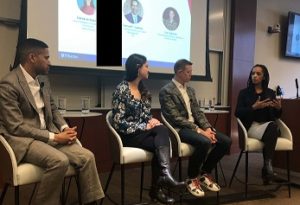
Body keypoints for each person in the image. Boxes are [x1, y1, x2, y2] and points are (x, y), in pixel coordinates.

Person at [0, 38, 104, 205]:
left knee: (87, 156)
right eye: (46, 58)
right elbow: (16, 127)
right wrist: (54, 138)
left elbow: (53, 109)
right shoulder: (9, 84)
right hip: (25, 140)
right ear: (32, 57)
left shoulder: (43, 80)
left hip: (49, 135)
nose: (50, 62)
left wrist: (64, 127)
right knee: (59, 161)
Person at [111, 53, 185, 204]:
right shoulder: (121, 90)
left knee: (160, 131)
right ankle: (158, 187)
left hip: (143, 134)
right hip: (129, 136)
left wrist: (151, 121)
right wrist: (144, 125)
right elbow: (119, 122)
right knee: (161, 139)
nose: (149, 69)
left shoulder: (144, 90)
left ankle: (161, 180)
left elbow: (146, 116)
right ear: (138, 68)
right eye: (147, 66)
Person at [159, 59, 232, 198]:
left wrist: (208, 128)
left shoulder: (190, 90)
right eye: (188, 72)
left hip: (196, 128)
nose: (191, 75)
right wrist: (199, 131)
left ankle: (204, 173)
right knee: (205, 141)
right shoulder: (166, 91)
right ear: (179, 72)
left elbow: (198, 112)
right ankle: (191, 178)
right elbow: (175, 118)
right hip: (179, 129)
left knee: (226, 141)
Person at [235, 64, 282, 185]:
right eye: (252, 73)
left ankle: (267, 167)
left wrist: (278, 108)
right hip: (251, 126)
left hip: (267, 125)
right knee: (273, 129)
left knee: (272, 127)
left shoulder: (270, 93)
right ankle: (267, 169)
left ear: (264, 77)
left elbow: (276, 116)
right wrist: (253, 108)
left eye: (258, 74)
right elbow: (237, 113)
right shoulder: (244, 93)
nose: (254, 76)